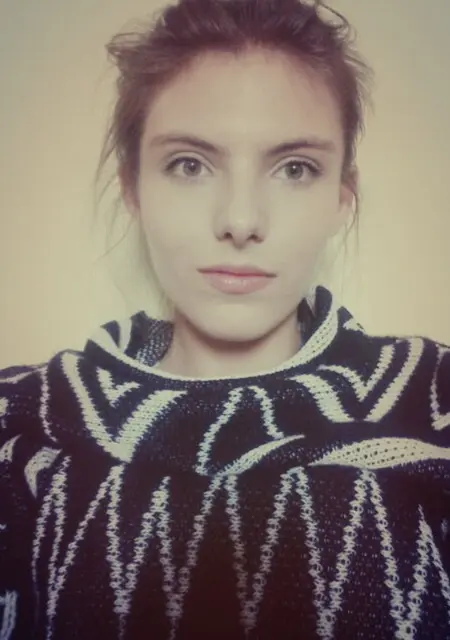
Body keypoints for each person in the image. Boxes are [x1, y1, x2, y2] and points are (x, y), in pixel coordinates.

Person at [1, 0, 449, 638]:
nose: (240, 220)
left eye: (295, 169)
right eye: (189, 164)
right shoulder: (24, 424)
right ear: (133, 189)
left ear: (340, 199)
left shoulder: (434, 402)